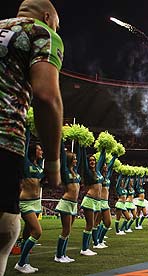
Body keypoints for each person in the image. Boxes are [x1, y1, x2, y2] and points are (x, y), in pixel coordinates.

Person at [0, 0, 63, 274]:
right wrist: (53, 162)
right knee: (5, 229)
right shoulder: (41, 31)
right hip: (4, 137)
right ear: (48, 17)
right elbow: (47, 97)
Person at [16, 131, 45, 273]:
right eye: (39, 149)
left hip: (36, 203)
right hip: (26, 203)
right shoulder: (26, 163)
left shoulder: (40, 167)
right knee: (37, 232)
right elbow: (25, 145)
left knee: (27, 235)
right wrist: (28, 128)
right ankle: (21, 263)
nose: (41, 151)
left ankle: (25, 262)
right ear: (33, 151)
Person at [54, 143, 81, 263]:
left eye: (76, 159)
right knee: (66, 230)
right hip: (66, 203)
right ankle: (58, 256)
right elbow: (63, 157)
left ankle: (63, 254)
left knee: (68, 230)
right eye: (74, 158)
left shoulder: (75, 172)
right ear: (70, 159)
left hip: (73, 204)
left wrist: (80, 144)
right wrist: (61, 141)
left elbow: (80, 157)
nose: (76, 160)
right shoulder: (65, 171)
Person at [80, 148, 106, 255]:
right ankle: (84, 249)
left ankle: (87, 247)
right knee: (89, 225)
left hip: (97, 202)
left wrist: (104, 148)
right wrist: (83, 147)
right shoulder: (87, 172)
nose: (92, 162)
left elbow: (102, 158)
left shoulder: (99, 172)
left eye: (94, 160)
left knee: (93, 225)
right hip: (90, 200)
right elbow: (83, 159)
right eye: (90, 160)